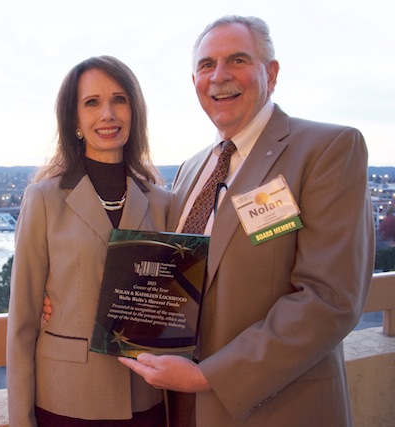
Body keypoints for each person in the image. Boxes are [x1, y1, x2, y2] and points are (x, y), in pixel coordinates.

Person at [118, 15, 375, 427]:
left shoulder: (327, 150)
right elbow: (161, 271)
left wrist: (208, 377)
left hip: (278, 409)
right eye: (206, 65)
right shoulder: (190, 169)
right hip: (184, 407)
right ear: (194, 82)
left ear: (270, 74)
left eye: (237, 60)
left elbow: (330, 299)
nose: (219, 77)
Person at [6, 55, 171, 427]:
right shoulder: (44, 199)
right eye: (92, 103)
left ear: (134, 111)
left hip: (145, 396)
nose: (107, 114)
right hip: (67, 399)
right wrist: (21, 418)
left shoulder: (162, 202)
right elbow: (22, 322)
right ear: (75, 119)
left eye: (119, 100)